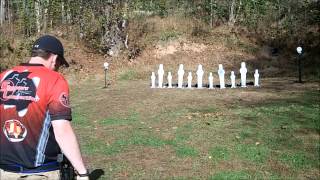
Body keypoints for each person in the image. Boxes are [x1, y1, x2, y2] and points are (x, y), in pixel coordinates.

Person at [0, 35, 89, 180]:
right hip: (40, 173)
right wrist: (82, 172)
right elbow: (62, 130)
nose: (57, 68)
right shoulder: (55, 80)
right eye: (59, 63)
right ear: (54, 58)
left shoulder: (3, 76)